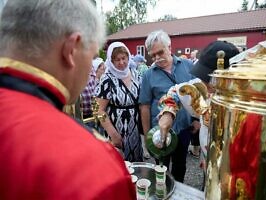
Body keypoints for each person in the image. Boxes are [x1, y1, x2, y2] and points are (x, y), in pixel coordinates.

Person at [0, 0, 136, 199]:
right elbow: (98, 106)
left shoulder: (135, 74)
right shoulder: (94, 167)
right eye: (91, 55)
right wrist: (112, 133)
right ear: (72, 49)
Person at [158, 40, 239, 191]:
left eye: (209, 78)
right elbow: (176, 91)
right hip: (207, 165)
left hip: (234, 173)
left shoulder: (245, 99)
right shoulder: (202, 86)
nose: (203, 82)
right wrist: (168, 112)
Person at [139, 30, 199, 182]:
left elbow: (196, 94)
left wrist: (197, 119)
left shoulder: (187, 65)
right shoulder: (148, 74)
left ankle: (177, 192)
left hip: (185, 128)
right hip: (159, 131)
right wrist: (147, 136)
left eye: (160, 52)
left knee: (180, 165)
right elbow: (144, 106)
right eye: (153, 55)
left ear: (170, 47)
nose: (157, 58)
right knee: (161, 168)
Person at [97, 42, 143, 162]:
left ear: (128, 57)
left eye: (124, 58)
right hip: (115, 130)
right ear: (111, 61)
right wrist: (113, 134)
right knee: (117, 165)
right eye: (117, 60)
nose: (121, 62)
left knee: (135, 168)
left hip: (134, 131)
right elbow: (98, 110)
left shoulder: (135, 75)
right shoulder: (107, 79)